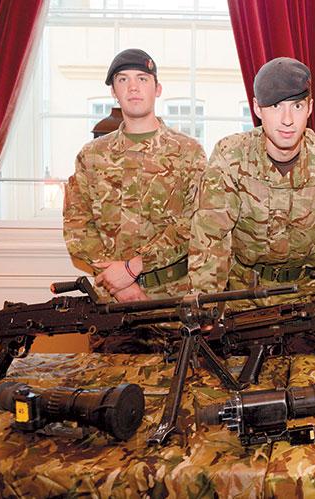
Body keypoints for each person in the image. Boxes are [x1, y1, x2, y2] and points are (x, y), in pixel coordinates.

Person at [189, 57, 315, 364]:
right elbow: (210, 238)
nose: (287, 119)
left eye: (297, 106)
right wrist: (204, 315)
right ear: (257, 108)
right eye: (276, 106)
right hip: (242, 303)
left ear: (310, 108)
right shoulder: (230, 156)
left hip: (307, 305)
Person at [63, 48, 207, 353]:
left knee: (184, 382)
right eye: (122, 80)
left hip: (175, 303)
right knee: (111, 383)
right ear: (113, 92)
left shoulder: (188, 153)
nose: (132, 87)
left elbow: (197, 223)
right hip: (114, 307)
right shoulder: (91, 156)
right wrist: (121, 284)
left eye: (142, 79)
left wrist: (135, 266)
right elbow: (78, 228)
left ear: (157, 89)